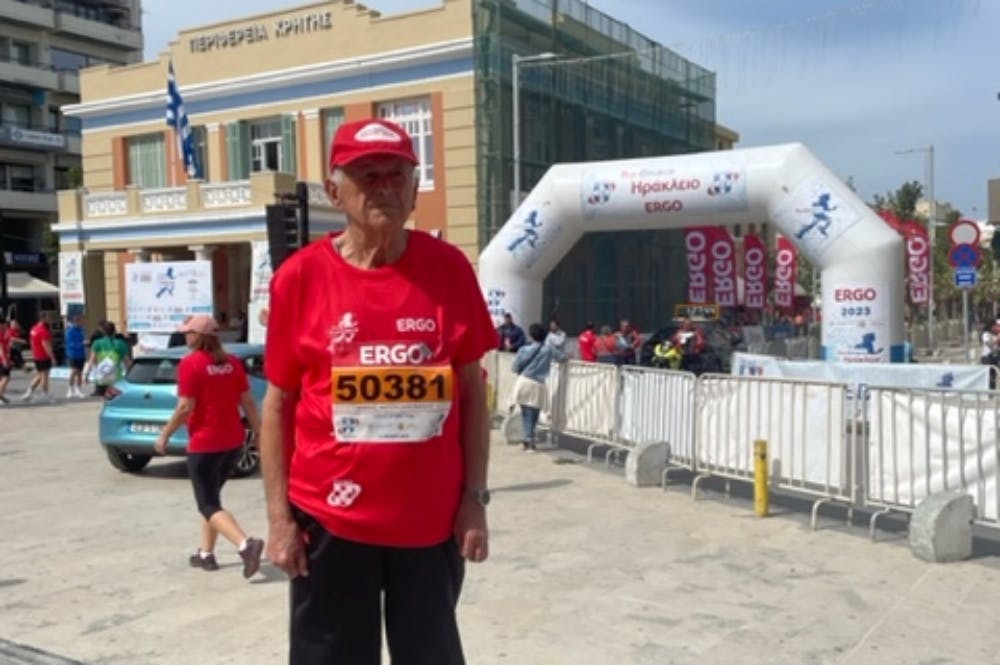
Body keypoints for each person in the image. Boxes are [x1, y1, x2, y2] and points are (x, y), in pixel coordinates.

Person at [260, 117, 495, 664]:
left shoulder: (449, 270)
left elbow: (472, 395)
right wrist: (279, 520)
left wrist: (475, 500)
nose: (384, 187)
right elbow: (277, 406)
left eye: (397, 174)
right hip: (330, 520)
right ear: (334, 190)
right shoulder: (299, 278)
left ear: (414, 189)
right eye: (367, 175)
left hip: (430, 524)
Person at [154, 314, 264, 578]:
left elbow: (185, 406)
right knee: (213, 501)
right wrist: (258, 433)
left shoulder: (190, 364)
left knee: (207, 504)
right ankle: (206, 554)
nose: (185, 336)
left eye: (188, 332)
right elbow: (248, 401)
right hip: (233, 443)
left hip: (205, 444)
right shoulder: (233, 363)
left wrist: (164, 435)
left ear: (199, 336)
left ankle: (246, 545)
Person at [512, 323, 565, 451]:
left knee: (525, 412)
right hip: (538, 384)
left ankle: (527, 438)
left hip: (523, 381)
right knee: (533, 413)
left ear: (531, 335)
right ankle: (529, 439)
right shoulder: (548, 350)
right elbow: (562, 358)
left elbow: (514, 367)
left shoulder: (523, 349)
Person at [87, 321, 131, 397]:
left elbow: (92, 359)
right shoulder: (120, 343)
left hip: (101, 378)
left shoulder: (97, 343)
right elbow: (127, 361)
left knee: (99, 399)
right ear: (114, 331)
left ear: (103, 332)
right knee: (115, 398)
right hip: (116, 378)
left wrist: (87, 373)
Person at [22, 312, 56, 403]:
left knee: (39, 376)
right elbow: (46, 345)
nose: (50, 320)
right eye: (48, 318)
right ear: (43, 318)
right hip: (43, 356)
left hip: (37, 356)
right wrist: (52, 357)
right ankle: (45, 394)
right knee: (44, 376)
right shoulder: (43, 331)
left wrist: (34, 352)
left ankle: (29, 392)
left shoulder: (34, 329)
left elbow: (31, 342)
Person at [64, 314, 88, 399]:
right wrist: (82, 343)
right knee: (74, 371)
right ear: (77, 321)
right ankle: (70, 389)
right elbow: (70, 343)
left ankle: (78, 389)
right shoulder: (70, 331)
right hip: (73, 354)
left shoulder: (82, 330)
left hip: (81, 354)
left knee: (80, 372)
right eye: (82, 321)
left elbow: (83, 340)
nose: (83, 323)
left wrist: (85, 343)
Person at [0, 319, 11, 404]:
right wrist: (4, 359)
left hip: (4, 358)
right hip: (1, 359)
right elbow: (0, 348)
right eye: (4, 324)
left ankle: (1, 396)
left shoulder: (4, 333)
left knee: (2, 378)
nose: (6, 326)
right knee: (6, 377)